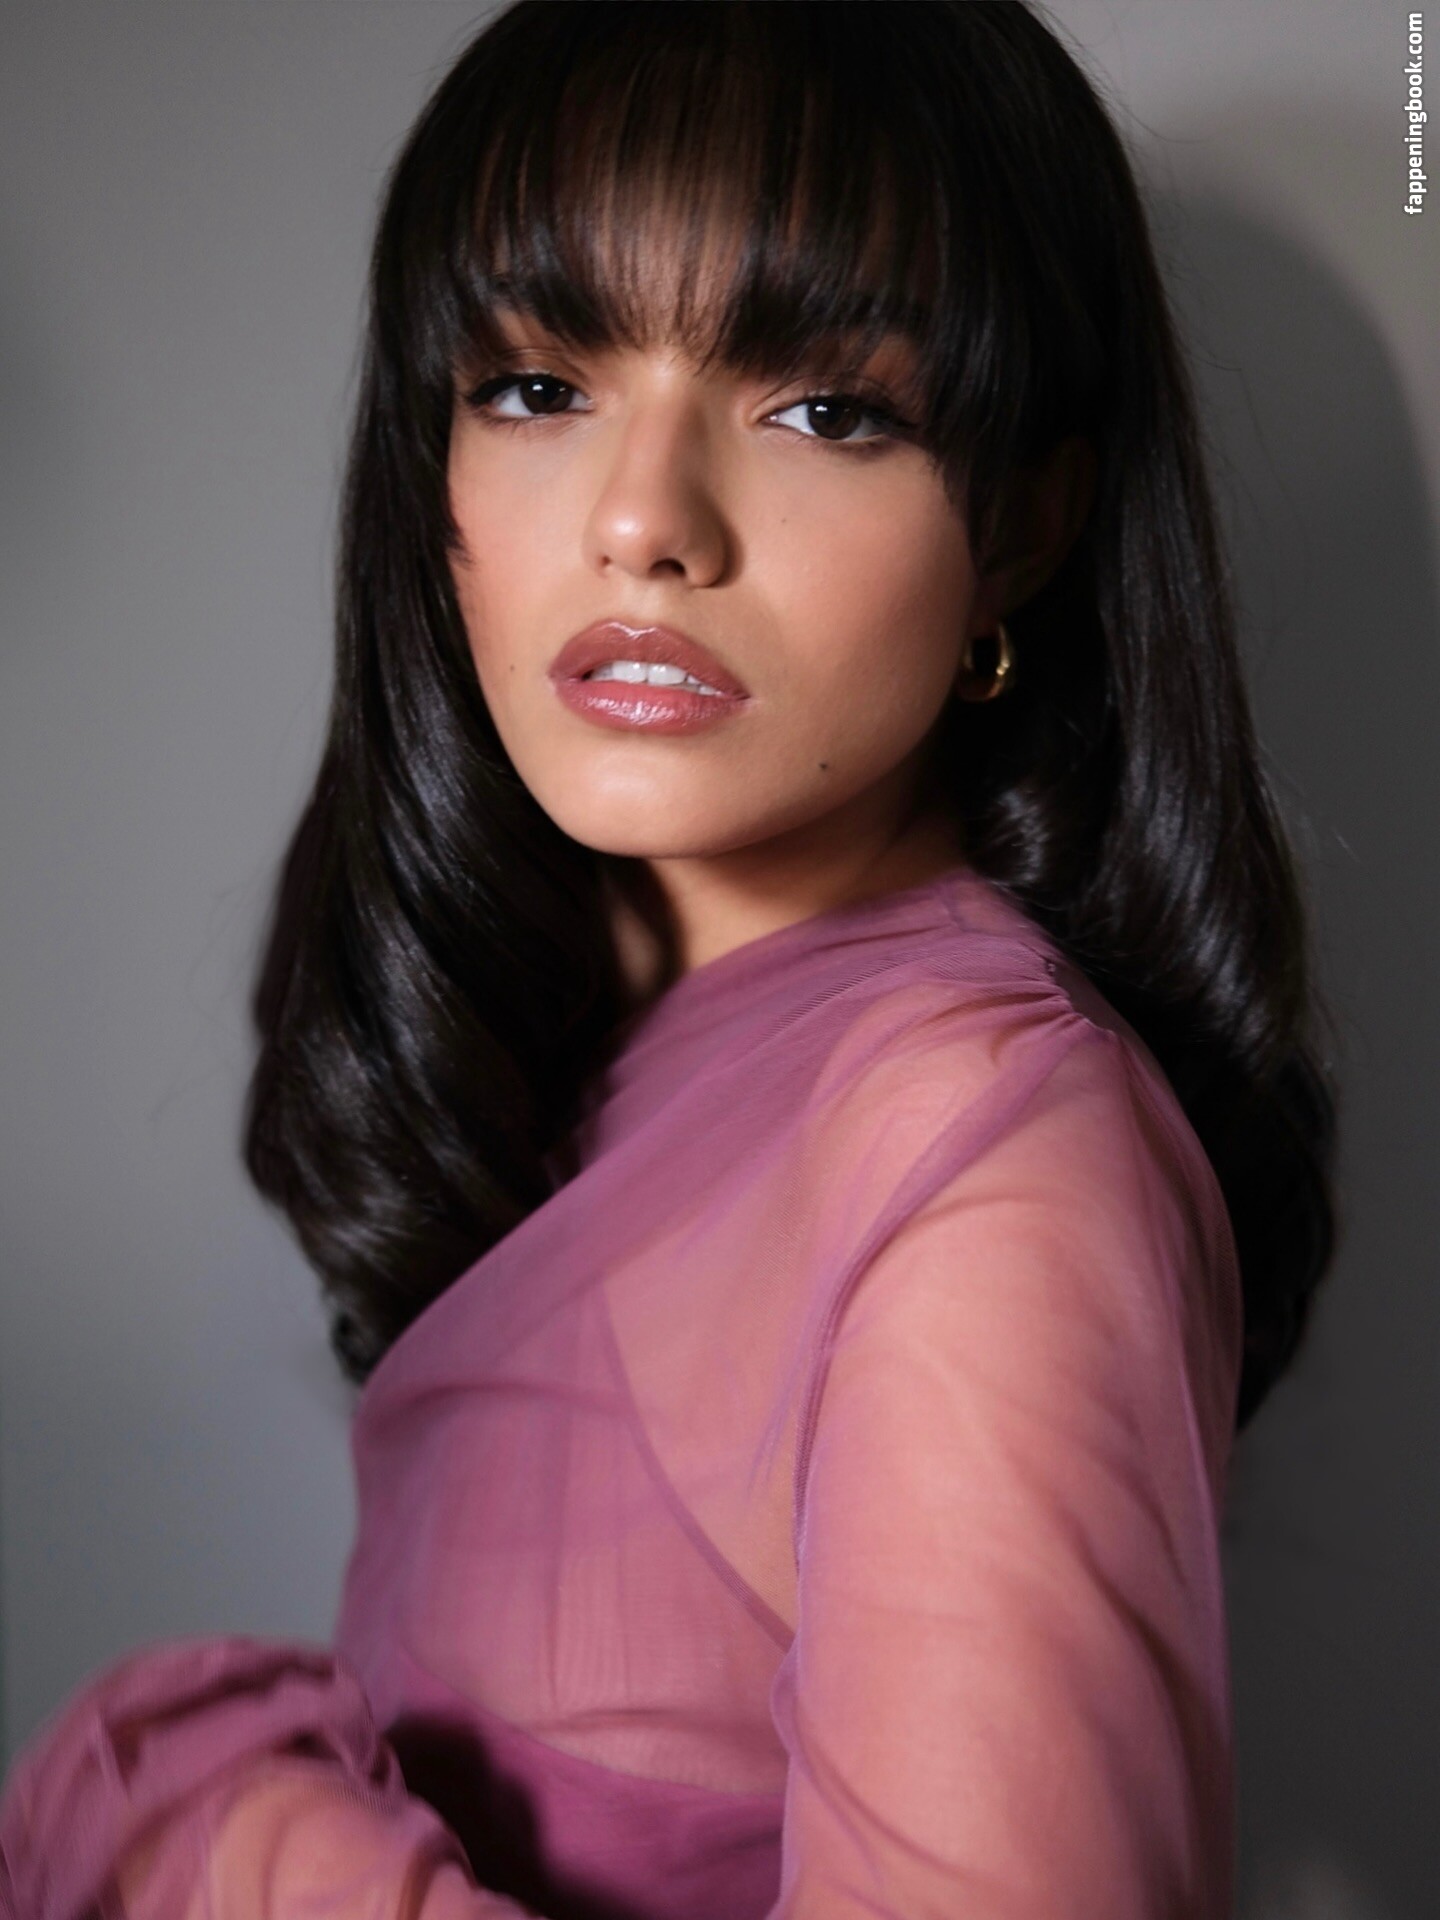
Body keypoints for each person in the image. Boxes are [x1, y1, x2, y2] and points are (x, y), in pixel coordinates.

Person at [0, 3, 1337, 1916]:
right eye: (539, 385)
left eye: (825, 410)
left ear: (1025, 527)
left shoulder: (980, 1171)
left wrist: (258, 1861)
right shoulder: (596, 1033)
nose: (643, 522)